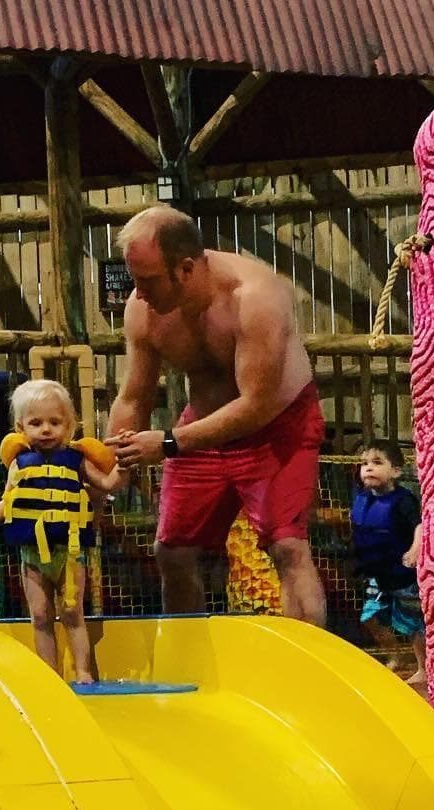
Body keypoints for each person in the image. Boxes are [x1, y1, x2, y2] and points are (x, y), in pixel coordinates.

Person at [105, 206, 327, 625]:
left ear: (185, 269)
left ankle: (307, 674)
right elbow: (133, 397)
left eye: (148, 279)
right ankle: (190, 667)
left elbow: (255, 405)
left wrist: (168, 442)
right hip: (202, 427)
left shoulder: (255, 297)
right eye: (134, 278)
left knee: (288, 547)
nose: (138, 292)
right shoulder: (142, 309)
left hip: (277, 424)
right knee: (172, 551)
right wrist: (111, 467)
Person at [0, 379, 122, 683]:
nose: (46, 429)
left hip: (70, 551)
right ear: (20, 427)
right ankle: (49, 676)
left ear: (69, 425)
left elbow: (108, 484)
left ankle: (83, 672)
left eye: (55, 422)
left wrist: (126, 463)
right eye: (36, 423)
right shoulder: (19, 464)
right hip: (32, 554)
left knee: (72, 612)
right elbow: (8, 500)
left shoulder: (76, 461)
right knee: (39, 616)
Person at [350, 439, 426, 684]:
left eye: (376, 463)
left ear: (395, 471)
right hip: (378, 573)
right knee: (369, 617)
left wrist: (415, 549)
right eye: (364, 464)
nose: (368, 468)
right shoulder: (362, 498)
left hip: (403, 574)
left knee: (415, 623)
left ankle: (422, 668)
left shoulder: (403, 500)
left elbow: (420, 526)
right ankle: (395, 656)